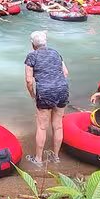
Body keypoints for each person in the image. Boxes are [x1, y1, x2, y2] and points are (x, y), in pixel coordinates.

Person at [24, 31, 69, 167]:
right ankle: (56, 157)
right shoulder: (55, 53)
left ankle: (38, 160)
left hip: (45, 92)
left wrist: (33, 95)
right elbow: (65, 73)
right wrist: (57, 83)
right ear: (46, 42)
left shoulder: (31, 56)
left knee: (42, 127)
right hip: (62, 89)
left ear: (33, 44)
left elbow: (29, 80)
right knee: (58, 125)